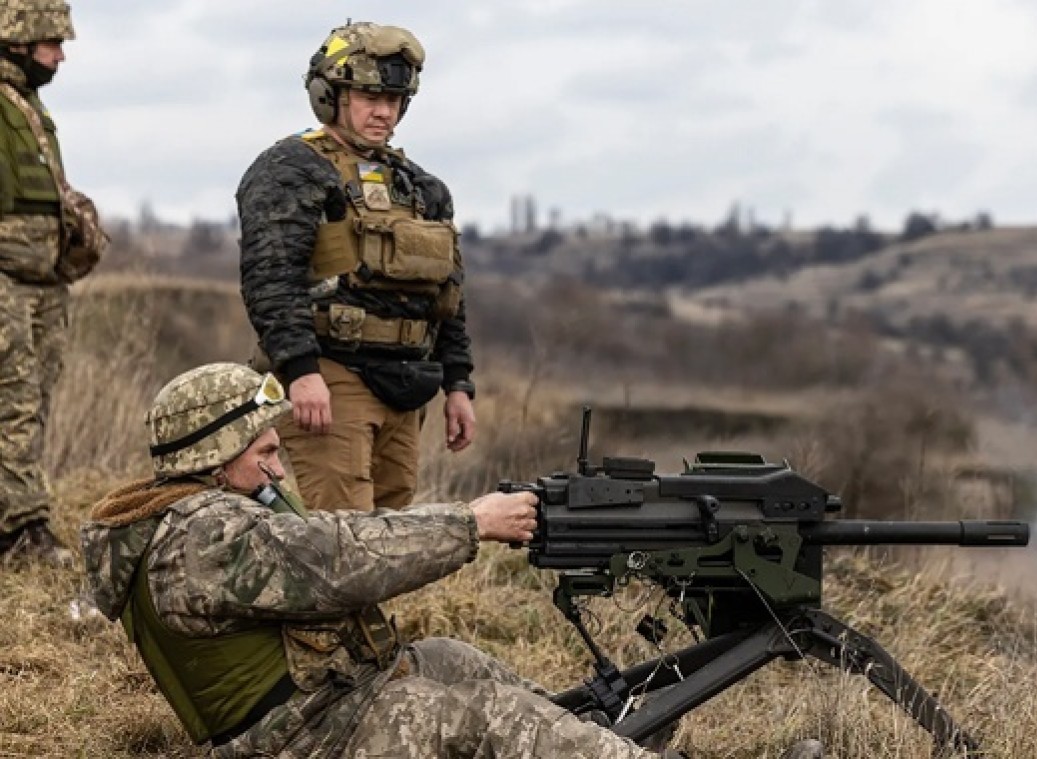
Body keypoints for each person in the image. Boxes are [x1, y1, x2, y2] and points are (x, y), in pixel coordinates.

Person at [79, 362, 823, 759]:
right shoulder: (205, 537)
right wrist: (473, 523)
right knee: (472, 716)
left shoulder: (188, 521)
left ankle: (597, 746)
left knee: (446, 658)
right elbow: (341, 557)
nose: (278, 470)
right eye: (265, 452)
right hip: (297, 743)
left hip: (315, 713)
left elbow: (322, 546)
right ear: (213, 459)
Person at [237, 21, 475, 514]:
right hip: (331, 372)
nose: (384, 111)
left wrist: (458, 384)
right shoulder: (292, 169)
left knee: (392, 531)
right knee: (343, 532)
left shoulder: (420, 187)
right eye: (369, 96)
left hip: (407, 383)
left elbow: (448, 296)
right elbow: (270, 279)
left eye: (394, 98)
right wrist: (301, 371)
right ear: (331, 95)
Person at [0, 0, 105, 566]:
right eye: (51, 43)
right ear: (17, 39)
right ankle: (19, 532)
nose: (60, 55)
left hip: (42, 282)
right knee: (10, 402)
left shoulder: (29, 108)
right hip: (5, 281)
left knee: (34, 400)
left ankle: (19, 514)